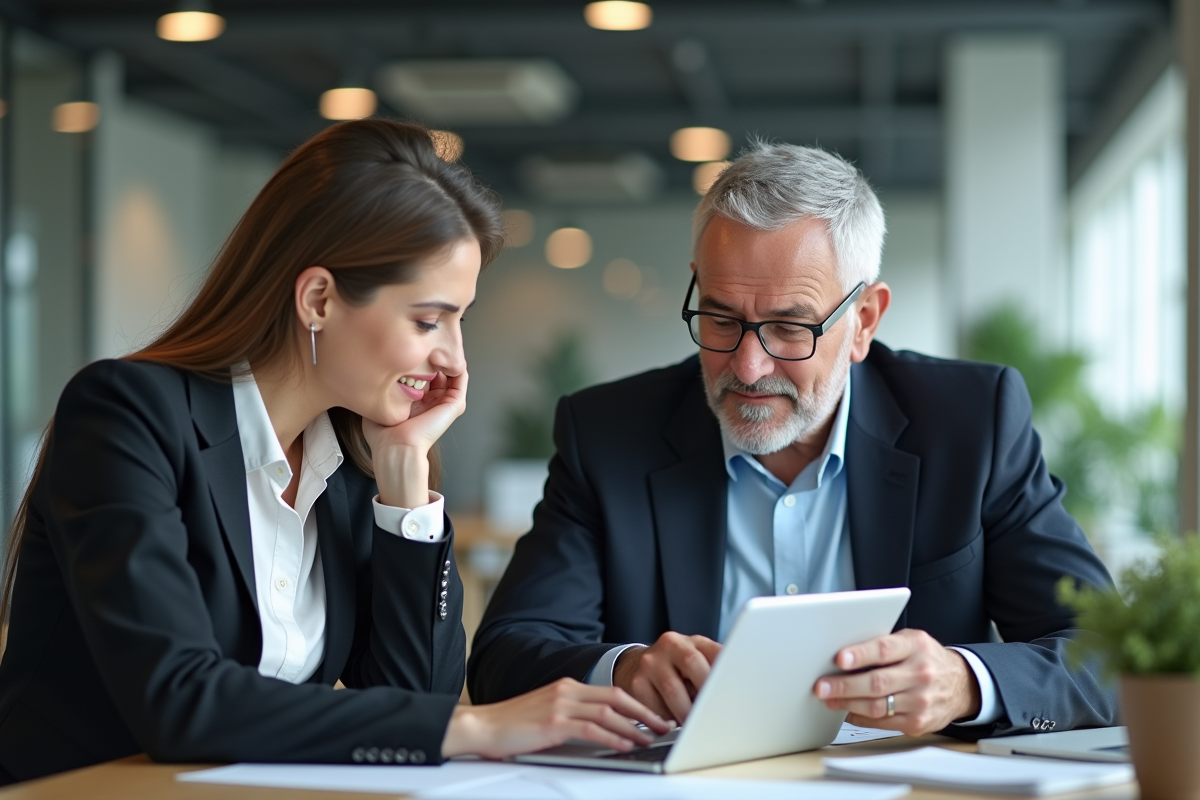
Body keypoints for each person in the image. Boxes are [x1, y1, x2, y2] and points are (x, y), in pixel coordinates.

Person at [0, 120, 668, 785]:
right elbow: (179, 701)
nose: (453, 359)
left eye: (458, 320)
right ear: (319, 298)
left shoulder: (350, 465)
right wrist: (481, 726)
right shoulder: (127, 413)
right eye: (428, 320)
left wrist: (405, 485)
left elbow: (420, 695)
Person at [469, 142, 1118, 740]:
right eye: (721, 317)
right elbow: (506, 654)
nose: (748, 367)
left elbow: (1108, 654)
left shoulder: (972, 424)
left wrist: (964, 681)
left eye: (789, 328)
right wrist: (625, 669)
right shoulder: (609, 434)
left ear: (864, 320)